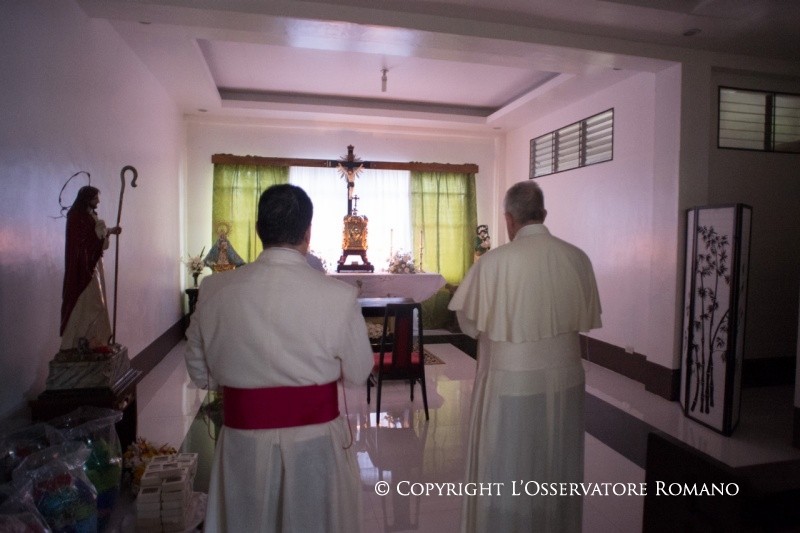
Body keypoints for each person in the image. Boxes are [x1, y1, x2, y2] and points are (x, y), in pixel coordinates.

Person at [185, 184, 373, 532]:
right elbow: (359, 371)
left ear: (259, 230)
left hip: (243, 440)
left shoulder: (214, 290)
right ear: (308, 232)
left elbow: (199, 373)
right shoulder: (339, 296)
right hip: (315, 442)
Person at [449, 181, 601, 532]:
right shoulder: (578, 258)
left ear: (509, 219)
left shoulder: (494, 262)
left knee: (508, 465)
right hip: (566, 379)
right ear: (543, 214)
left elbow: (468, 322)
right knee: (557, 462)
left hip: (511, 381)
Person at [60, 186, 121, 351]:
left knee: (96, 303)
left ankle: (93, 340)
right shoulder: (76, 217)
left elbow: (97, 240)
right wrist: (103, 231)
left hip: (93, 264)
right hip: (82, 269)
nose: (98, 201)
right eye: (95, 198)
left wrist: (109, 231)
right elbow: (84, 243)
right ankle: (75, 342)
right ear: (86, 199)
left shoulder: (89, 216)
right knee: (90, 303)